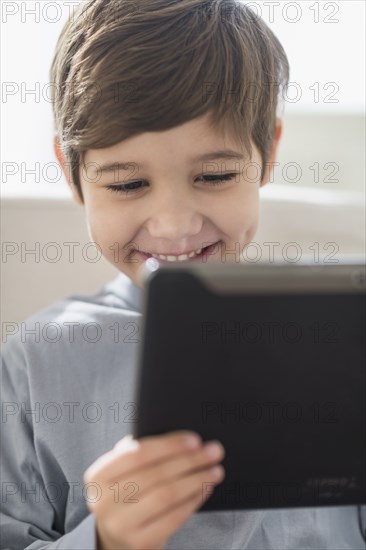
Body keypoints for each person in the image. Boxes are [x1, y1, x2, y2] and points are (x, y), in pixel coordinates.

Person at [1, 1, 365, 548]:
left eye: (215, 175)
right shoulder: (36, 361)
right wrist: (105, 540)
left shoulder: (337, 331)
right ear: (71, 175)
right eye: (127, 185)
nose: (174, 228)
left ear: (267, 156)